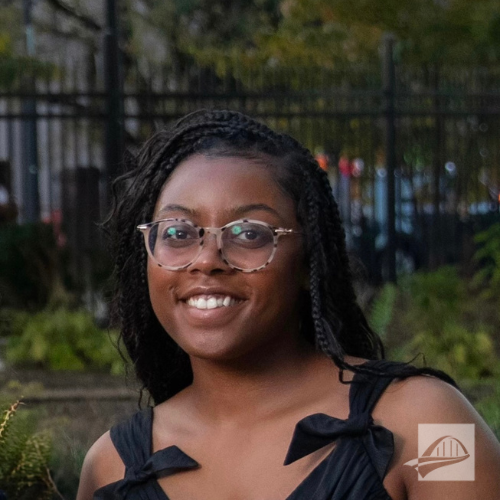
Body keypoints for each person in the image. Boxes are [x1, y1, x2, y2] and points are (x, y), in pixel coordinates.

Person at [77, 109, 500, 500]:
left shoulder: (432, 425)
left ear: (307, 260)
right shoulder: (111, 468)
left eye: (248, 233)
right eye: (177, 232)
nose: (206, 259)